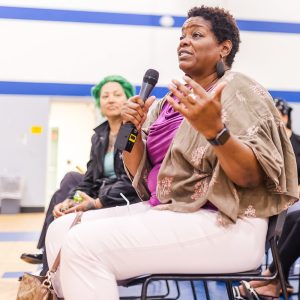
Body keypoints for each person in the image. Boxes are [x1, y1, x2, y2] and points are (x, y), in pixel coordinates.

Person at [45, 6, 298, 300]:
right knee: (60, 229)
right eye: (182, 35)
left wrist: (216, 132)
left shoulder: (238, 88)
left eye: (196, 34)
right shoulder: (168, 102)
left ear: (223, 48)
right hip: (172, 211)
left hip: (228, 223)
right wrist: (133, 130)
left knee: (83, 245)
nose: (183, 41)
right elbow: (141, 173)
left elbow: (252, 176)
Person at [21, 75, 139, 273]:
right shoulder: (99, 136)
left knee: (75, 184)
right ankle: (46, 249)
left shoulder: (131, 131)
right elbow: (90, 178)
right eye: (105, 96)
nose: (110, 99)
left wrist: (95, 201)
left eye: (117, 95)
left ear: (127, 99)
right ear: (99, 104)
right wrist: (70, 200)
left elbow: (131, 178)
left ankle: (47, 263)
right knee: (70, 180)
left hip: (119, 191)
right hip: (99, 186)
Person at [233, 98, 300, 299]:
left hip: (292, 195)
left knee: (292, 215)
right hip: (277, 195)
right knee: (291, 219)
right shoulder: (266, 143)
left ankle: (271, 276)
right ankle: (279, 279)